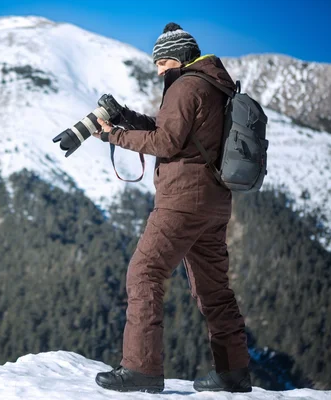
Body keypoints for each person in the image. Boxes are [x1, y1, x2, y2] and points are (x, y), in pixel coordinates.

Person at [92, 22, 252, 393]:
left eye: (162, 63)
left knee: (144, 272)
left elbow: (165, 142)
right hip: (214, 202)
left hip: (182, 200)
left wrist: (111, 134)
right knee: (213, 290)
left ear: (178, 59)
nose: (160, 71)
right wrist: (127, 117)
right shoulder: (215, 84)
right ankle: (234, 372)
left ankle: (141, 368)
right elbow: (178, 133)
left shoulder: (185, 86)